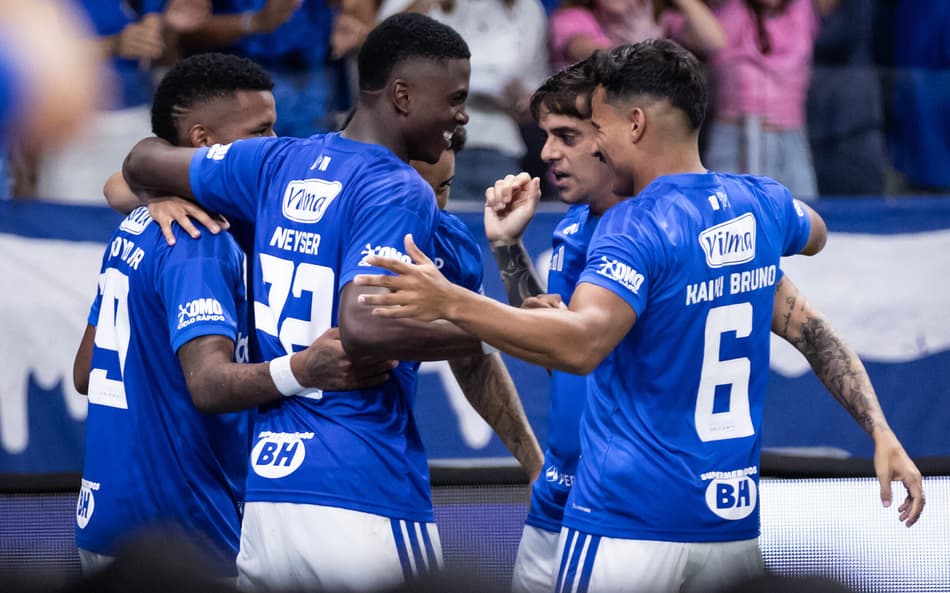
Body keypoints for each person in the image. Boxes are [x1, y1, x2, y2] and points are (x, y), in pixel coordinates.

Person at [354, 40, 925, 593]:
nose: (594, 145)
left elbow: (579, 347)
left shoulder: (635, 226)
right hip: (730, 528)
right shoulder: (762, 203)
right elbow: (814, 266)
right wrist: (880, 431)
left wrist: (450, 300)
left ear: (635, 125)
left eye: (596, 128)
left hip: (625, 523)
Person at [119, 13, 519, 592]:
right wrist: (500, 327)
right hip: (362, 485)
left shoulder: (275, 162)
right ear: (402, 95)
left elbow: (139, 161)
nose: (462, 114)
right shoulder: (395, 187)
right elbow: (363, 328)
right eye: (455, 97)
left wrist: (154, 196)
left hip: (272, 495)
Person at [72, 52, 394, 577]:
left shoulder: (137, 225)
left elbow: (86, 372)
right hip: (182, 535)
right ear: (203, 141)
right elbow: (208, 383)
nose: (275, 146)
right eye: (262, 130)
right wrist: (303, 369)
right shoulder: (199, 238)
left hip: (103, 518)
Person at [478, 60, 626, 593]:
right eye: (544, 136)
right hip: (554, 498)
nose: (545, 154)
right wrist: (506, 246)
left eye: (566, 135)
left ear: (615, 135)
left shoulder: (660, 230)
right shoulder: (572, 227)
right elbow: (555, 350)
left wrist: (449, 303)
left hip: (623, 510)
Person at [411, 127, 543, 479]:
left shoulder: (450, 240)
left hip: (392, 458)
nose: (433, 206)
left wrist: (533, 465)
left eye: (444, 187)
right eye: (419, 189)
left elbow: (473, 360)